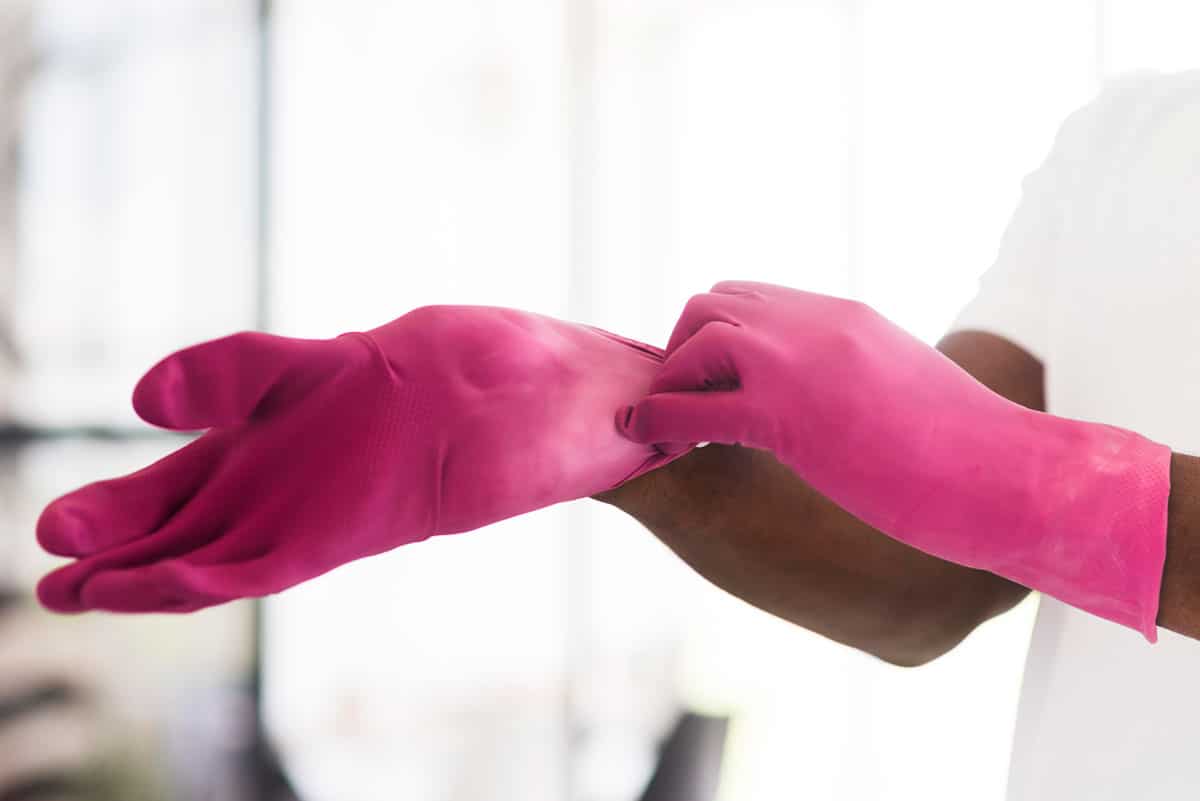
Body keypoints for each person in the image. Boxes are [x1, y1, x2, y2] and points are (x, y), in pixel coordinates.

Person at [33, 69, 1200, 800]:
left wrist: (1046, 486)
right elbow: (928, 581)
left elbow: (1008, 496)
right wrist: (613, 428)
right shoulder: (1132, 140)